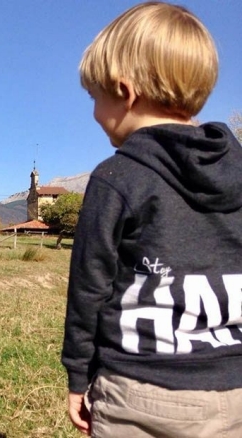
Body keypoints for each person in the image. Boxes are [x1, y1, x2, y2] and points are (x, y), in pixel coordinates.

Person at [62, 2, 242, 436]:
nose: (93, 112)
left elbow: (90, 287)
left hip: (138, 389)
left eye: (94, 96)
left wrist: (77, 376)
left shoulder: (116, 178)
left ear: (125, 93)